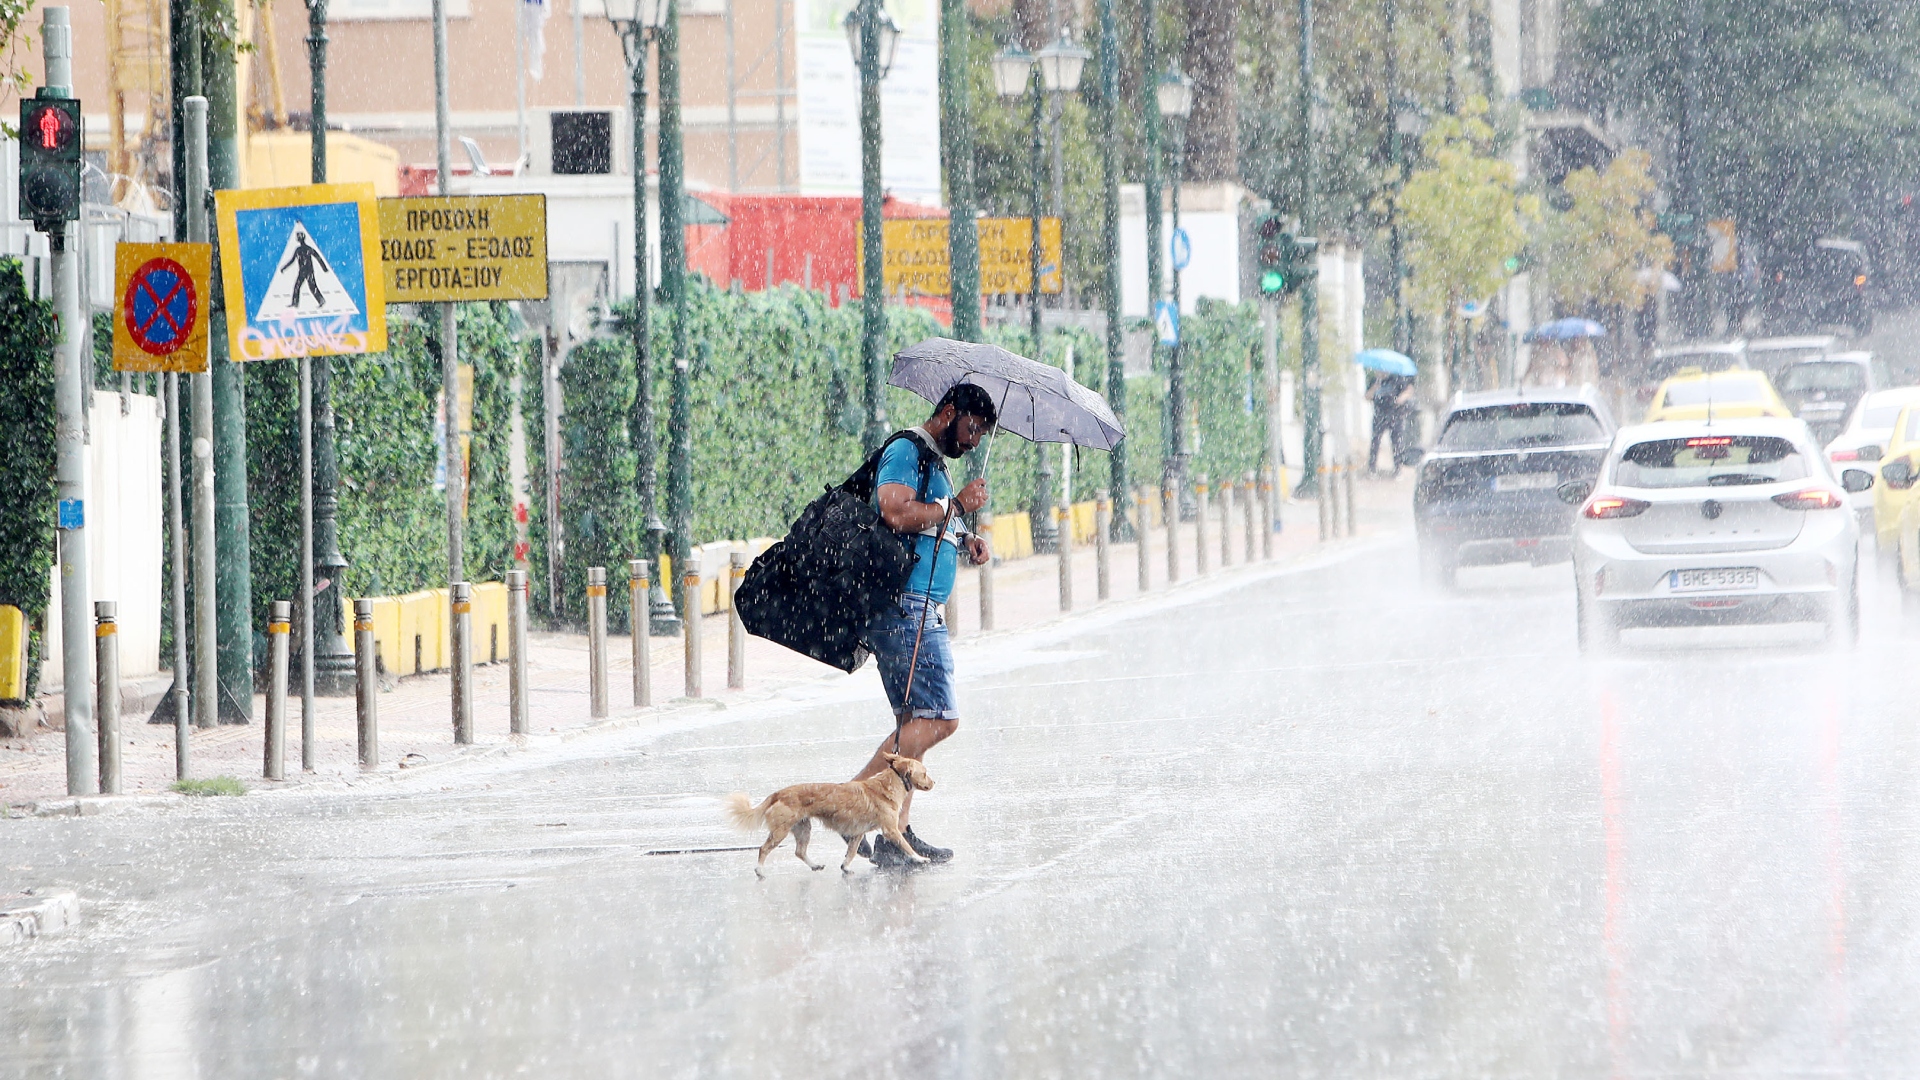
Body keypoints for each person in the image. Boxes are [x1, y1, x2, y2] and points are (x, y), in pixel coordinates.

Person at [852, 383, 997, 867]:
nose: (974, 441)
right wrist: (956, 505)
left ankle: (896, 834)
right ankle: (850, 802)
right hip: (904, 606)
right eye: (972, 428)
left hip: (916, 605)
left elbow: (932, 523)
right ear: (950, 412)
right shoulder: (905, 450)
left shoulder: (936, 462)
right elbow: (895, 511)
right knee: (940, 718)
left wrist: (964, 537)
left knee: (913, 722)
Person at [1367, 371, 1415, 476]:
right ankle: (1372, 468)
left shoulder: (1397, 379)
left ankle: (1397, 468)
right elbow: (1367, 396)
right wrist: (1374, 387)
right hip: (1379, 416)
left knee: (1396, 443)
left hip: (1395, 415)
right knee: (1375, 442)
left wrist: (1400, 398)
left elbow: (1409, 390)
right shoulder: (1375, 381)